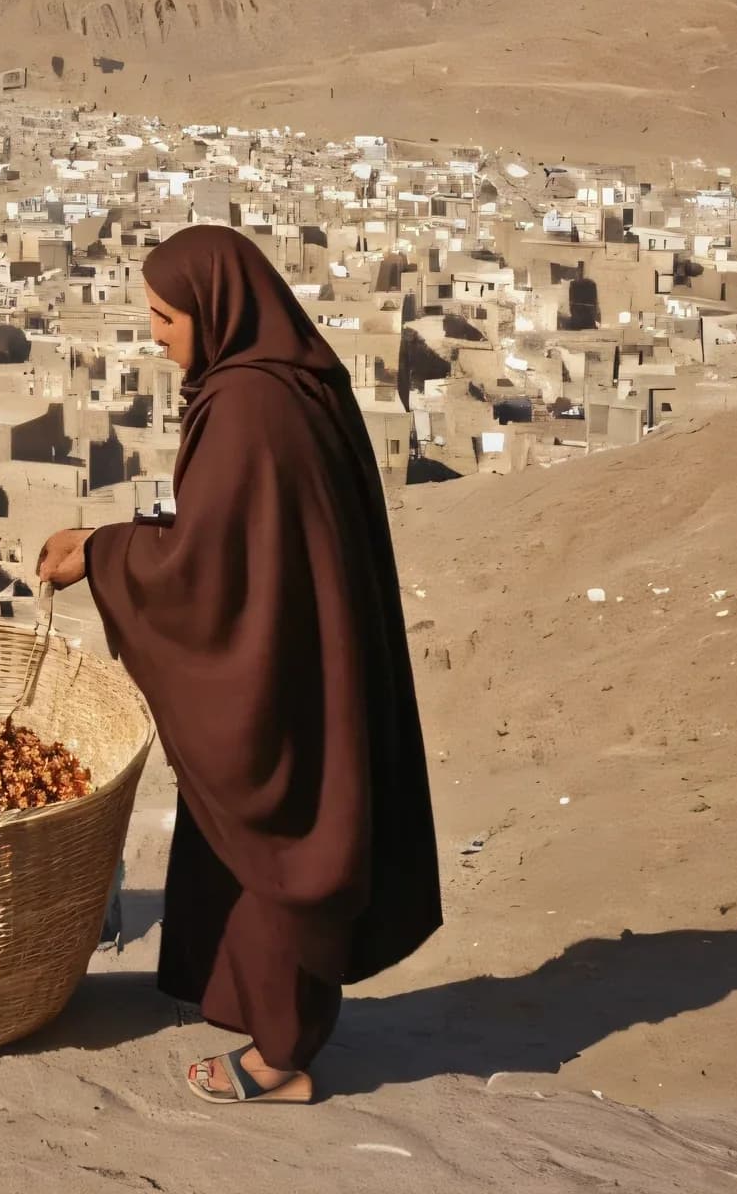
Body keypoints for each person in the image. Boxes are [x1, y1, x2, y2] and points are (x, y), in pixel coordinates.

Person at [38, 224, 441, 1105]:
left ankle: (281, 1060)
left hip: (279, 665)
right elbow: (235, 527)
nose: (156, 337)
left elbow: (203, 564)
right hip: (306, 644)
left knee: (277, 835)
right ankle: (253, 1012)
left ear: (215, 309)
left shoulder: (250, 407)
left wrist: (101, 555)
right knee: (259, 834)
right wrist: (114, 539)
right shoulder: (293, 379)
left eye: (165, 318)